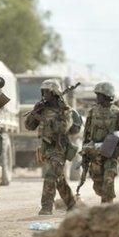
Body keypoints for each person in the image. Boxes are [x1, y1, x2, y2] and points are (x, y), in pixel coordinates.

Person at [25, 79, 77, 215]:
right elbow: (29, 126)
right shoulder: (43, 108)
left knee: (50, 175)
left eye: (47, 92)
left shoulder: (64, 110)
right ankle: (72, 204)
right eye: (43, 92)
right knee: (58, 178)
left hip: (59, 147)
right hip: (46, 148)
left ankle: (46, 207)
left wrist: (43, 119)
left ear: (54, 93)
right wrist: (34, 113)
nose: (44, 94)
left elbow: (62, 128)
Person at [83, 82, 119, 203]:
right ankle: (105, 197)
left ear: (107, 95)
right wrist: (85, 150)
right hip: (95, 153)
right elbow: (86, 133)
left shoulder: (118, 112)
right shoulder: (92, 111)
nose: (97, 97)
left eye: (99, 95)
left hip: (111, 152)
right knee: (98, 184)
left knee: (108, 179)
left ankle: (107, 205)